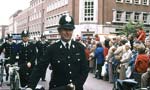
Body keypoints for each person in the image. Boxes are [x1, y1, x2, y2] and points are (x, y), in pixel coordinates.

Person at [26, 15, 89, 90]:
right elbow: (40, 68)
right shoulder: (52, 49)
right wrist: (30, 87)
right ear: (59, 30)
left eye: (70, 30)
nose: (67, 32)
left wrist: (75, 85)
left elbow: (85, 70)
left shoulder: (80, 48)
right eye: (65, 29)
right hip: (57, 87)